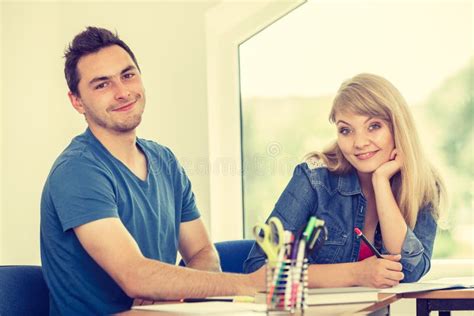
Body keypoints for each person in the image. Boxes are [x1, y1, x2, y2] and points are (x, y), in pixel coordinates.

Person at [40, 26, 263, 315]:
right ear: (77, 101)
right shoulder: (77, 171)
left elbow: (202, 253)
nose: (122, 92)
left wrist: (171, 295)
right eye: (102, 84)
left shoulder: (164, 160)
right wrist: (248, 284)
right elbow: (134, 276)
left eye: (128, 75)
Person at [244, 73, 446, 288]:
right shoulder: (314, 179)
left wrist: (381, 183)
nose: (359, 143)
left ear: (398, 127)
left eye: (374, 126)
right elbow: (258, 268)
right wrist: (354, 274)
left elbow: (410, 271)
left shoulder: (423, 184)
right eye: (346, 130)